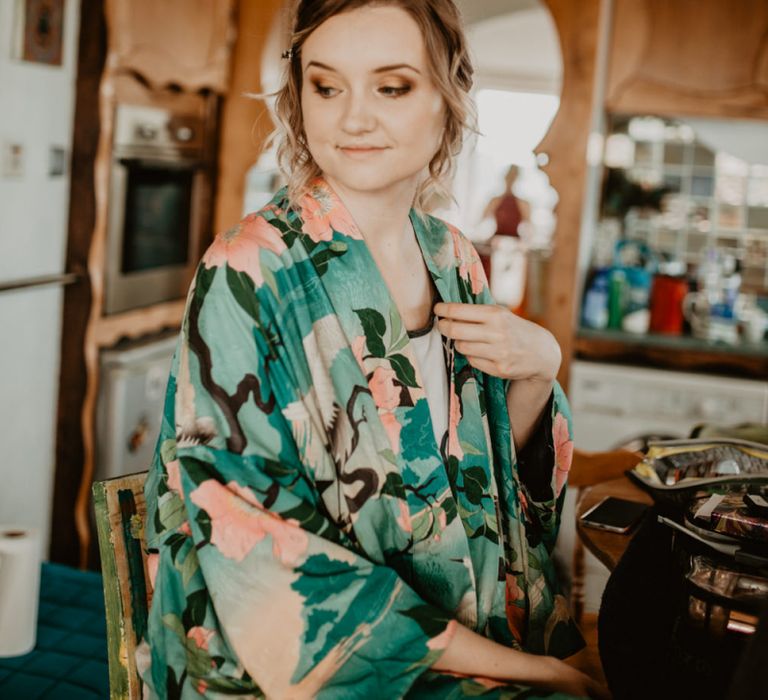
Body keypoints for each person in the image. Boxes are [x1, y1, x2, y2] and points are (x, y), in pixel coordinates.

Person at [138, 2, 607, 698]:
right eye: (327, 86)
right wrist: (533, 669)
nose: (353, 118)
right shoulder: (249, 270)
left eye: (392, 86)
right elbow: (256, 550)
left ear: (447, 100)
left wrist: (540, 370)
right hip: (300, 660)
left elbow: (491, 484)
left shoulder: (452, 258)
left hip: (474, 622)